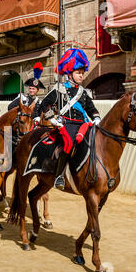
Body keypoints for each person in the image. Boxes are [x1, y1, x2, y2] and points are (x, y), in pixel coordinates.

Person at [34, 48, 101, 190]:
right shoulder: (59, 89)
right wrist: (51, 119)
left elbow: (91, 108)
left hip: (82, 124)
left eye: (82, 73)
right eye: (78, 73)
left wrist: (96, 117)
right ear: (69, 73)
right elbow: (45, 104)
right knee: (69, 144)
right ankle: (59, 176)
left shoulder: (83, 92)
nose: (81, 76)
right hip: (66, 124)